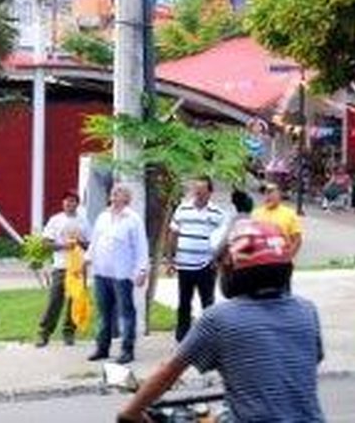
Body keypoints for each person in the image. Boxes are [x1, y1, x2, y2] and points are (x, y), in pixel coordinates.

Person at [116, 220, 325, 423]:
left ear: (232, 268)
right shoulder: (306, 311)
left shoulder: (219, 319)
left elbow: (168, 373)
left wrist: (131, 412)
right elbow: (299, 366)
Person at [85, 184, 149, 365]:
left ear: (126, 198)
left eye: (118, 192)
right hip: (101, 272)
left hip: (122, 273)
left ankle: (127, 349)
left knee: (125, 312)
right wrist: (87, 257)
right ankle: (102, 348)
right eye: (113, 192)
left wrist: (141, 270)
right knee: (104, 312)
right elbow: (95, 240)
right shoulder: (103, 217)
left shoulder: (133, 219)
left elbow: (141, 247)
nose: (113, 194)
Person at [164, 177, 228, 342]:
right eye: (196, 190)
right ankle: (182, 338)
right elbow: (173, 234)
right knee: (184, 302)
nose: (198, 194)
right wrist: (170, 260)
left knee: (207, 303)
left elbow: (225, 240)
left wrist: (218, 261)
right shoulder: (183, 209)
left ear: (210, 192)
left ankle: (210, 337)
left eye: (202, 191)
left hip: (206, 265)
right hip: (184, 264)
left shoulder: (218, 214)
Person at [35, 190, 90, 347]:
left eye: (72, 201)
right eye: (66, 201)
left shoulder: (83, 221)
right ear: (62, 203)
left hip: (78, 267)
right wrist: (63, 245)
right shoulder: (55, 220)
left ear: (77, 204)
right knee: (55, 300)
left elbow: (90, 243)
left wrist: (80, 243)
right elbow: (45, 243)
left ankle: (69, 332)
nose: (69, 203)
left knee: (75, 300)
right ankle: (44, 333)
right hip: (61, 265)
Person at [252, 182, 303, 257]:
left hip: (281, 259)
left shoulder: (289, 214)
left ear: (279, 194)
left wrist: (289, 256)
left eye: (271, 192)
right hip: (260, 259)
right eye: (265, 193)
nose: (268, 196)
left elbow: (297, 239)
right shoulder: (256, 214)